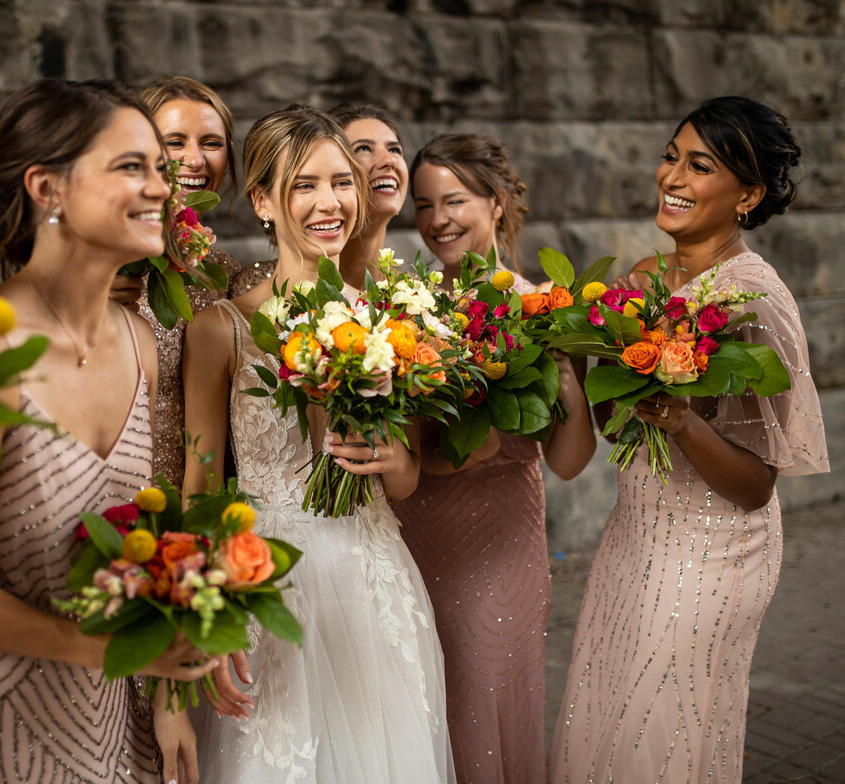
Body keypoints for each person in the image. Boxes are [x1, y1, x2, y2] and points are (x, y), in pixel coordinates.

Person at [0, 78, 217, 784]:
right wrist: (104, 649)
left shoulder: (139, 341)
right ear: (47, 188)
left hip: (119, 716)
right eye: (132, 166)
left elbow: (154, 539)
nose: (162, 188)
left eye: (160, 169)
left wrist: (167, 688)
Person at [549, 96, 830, 782]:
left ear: (749, 194)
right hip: (636, 534)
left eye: (699, 165)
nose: (672, 176)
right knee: (605, 714)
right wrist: (566, 353)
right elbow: (616, 427)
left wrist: (681, 420)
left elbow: (755, 484)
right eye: (671, 156)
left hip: (715, 550)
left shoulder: (753, 302)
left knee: (663, 730)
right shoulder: (643, 282)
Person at [183, 104, 455, 783]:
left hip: (374, 576)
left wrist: (394, 460)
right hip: (271, 579)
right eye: (304, 185)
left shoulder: (389, 316)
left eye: (342, 182)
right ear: (265, 202)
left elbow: (403, 482)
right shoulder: (223, 329)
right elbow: (198, 488)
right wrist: (210, 619)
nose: (329, 202)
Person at [394, 133, 595, 783]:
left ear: (497, 203)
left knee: (488, 697)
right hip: (417, 530)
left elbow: (568, 460)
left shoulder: (538, 309)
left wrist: (563, 370)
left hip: (502, 537)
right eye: (422, 206)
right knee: (424, 703)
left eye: (453, 200)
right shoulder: (410, 313)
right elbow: (415, 450)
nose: (437, 220)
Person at [128, 75, 243, 489]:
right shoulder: (101, 268)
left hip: (198, 504)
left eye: (211, 143)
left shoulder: (229, 277)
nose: (195, 160)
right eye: (174, 142)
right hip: (107, 499)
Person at [329, 101, 409, 289]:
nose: (389, 161)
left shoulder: (425, 301)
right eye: (364, 148)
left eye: (394, 150)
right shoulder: (260, 291)